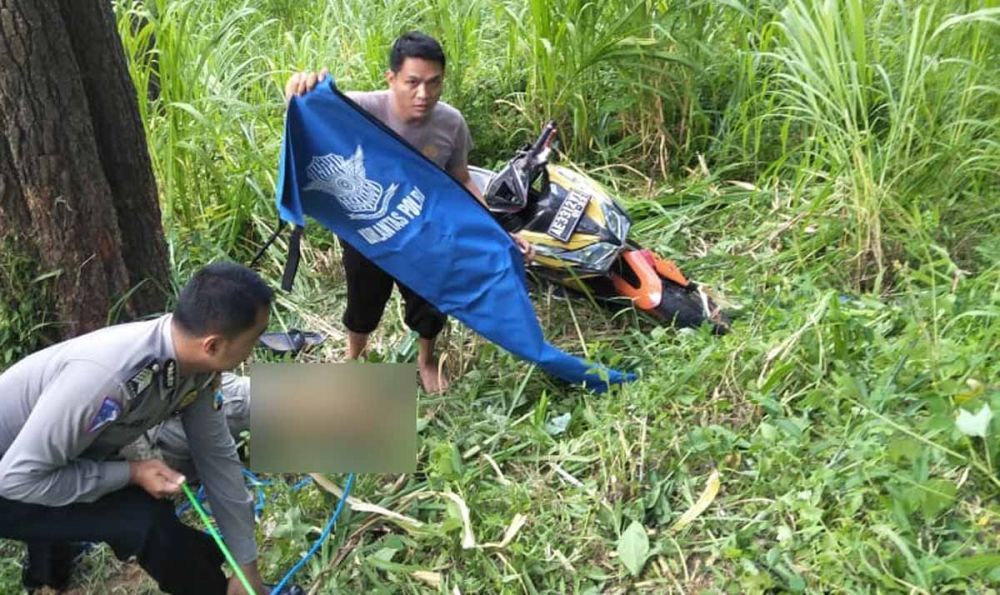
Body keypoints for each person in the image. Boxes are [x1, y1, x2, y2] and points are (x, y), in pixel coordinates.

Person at [0, 262, 273, 595]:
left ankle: (48, 570)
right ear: (213, 344)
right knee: (147, 523)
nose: (255, 348)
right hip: (11, 481)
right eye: (253, 339)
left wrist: (246, 567)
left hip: (45, 457)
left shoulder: (193, 366)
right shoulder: (107, 380)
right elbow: (17, 478)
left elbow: (217, 459)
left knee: (142, 509)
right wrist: (130, 473)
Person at [285, 31, 533, 394]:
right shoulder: (358, 110)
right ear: (391, 79)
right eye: (412, 82)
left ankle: (426, 360)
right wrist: (299, 89)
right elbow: (303, 114)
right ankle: (355, 357)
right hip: (369, 231)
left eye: (434, 84)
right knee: (363, 297)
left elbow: (461, 179)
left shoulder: (450, 123)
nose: (424, 94)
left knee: (429, 302)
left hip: (424, 230)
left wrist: (498, 231)